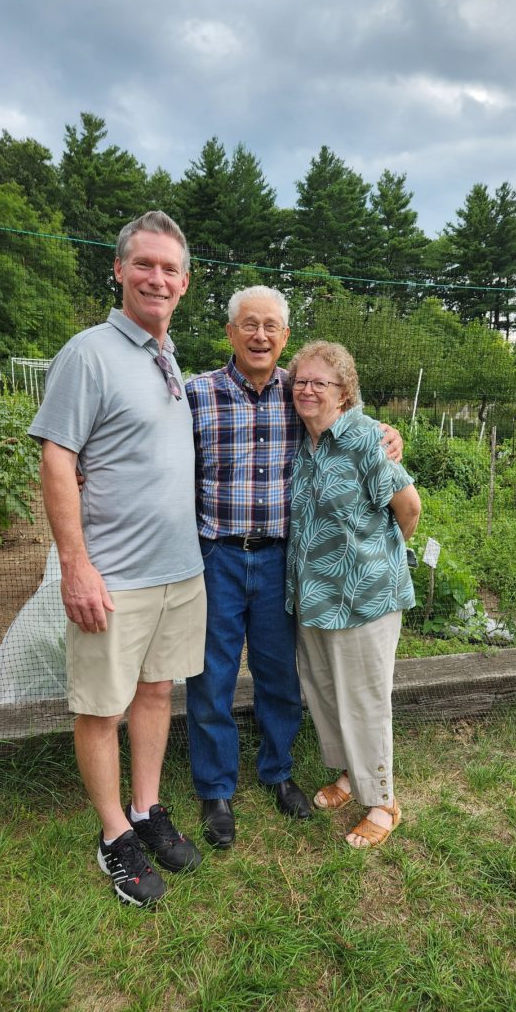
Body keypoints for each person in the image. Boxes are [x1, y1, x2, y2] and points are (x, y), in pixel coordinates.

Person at [28, 211, 206, 907]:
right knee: (102, 709)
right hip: (114, 575)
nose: (156, 278)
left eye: (169, 269)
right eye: (145, 265)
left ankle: (146, 808)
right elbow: (56, 456)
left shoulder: (166, 355)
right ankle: (113, 838)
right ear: (119, 270)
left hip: (176, 570)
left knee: (156, 692)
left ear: (183, 283)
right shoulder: (90, 352)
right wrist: (76, 564)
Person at [185, 286, 403, 849]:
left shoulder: (298, 391)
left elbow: (346, 414)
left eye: (272, 327)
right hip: (219, 556)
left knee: (283, 676)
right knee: (212, 676)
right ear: (230, 332)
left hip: (283, 559)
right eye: (249, 325)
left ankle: (278, 774)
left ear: (284, 337)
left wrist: (386, 433)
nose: (260, 335)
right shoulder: (195, 395)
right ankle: (215, 788)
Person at [285, 340, 421, 849]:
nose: (309, 389)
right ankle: (348, 777)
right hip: (313, 598)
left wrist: (380, 561)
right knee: (325, 692)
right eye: (301, 380)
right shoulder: (304, 442)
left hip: (364, 599)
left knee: (364, 700)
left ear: (345, 393)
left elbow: (409, 508)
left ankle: (383, 800)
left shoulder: (367, 439)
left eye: (322, 382)